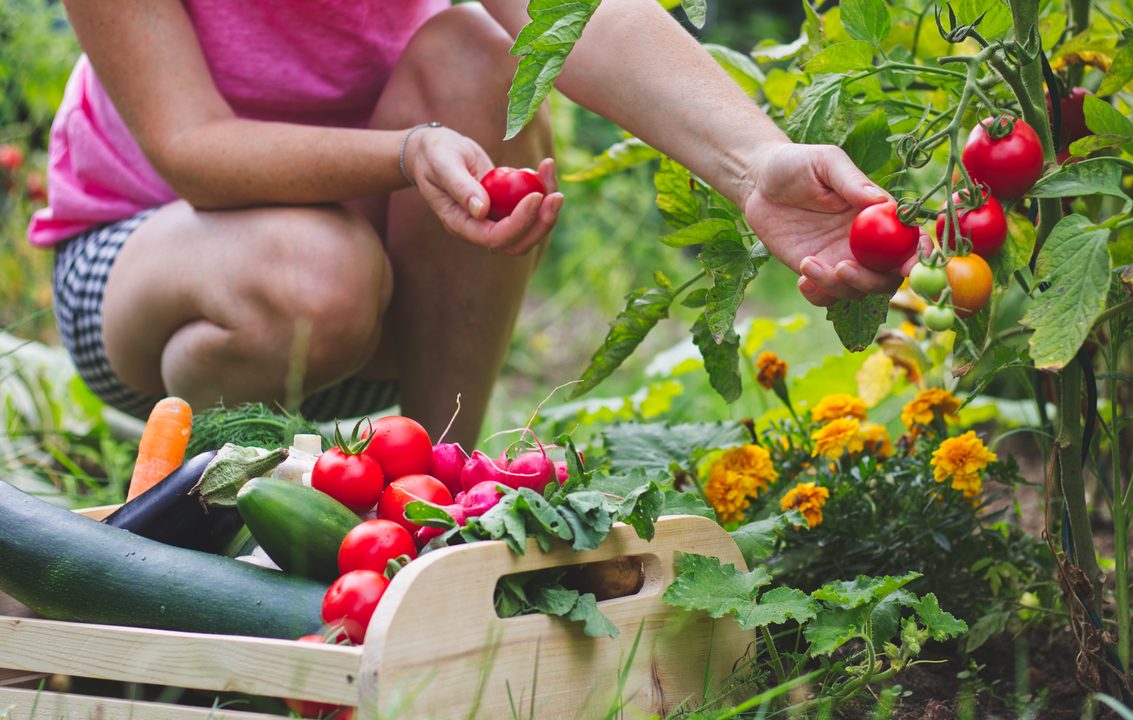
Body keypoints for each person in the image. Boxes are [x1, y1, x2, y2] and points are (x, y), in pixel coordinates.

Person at [34, 0, 918, 447]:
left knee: (481, 51)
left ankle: (432, 483)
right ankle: (209, 501)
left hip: (386, 297)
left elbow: (579, 17)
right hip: (152, 270)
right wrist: (407, 154)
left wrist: (752, 163)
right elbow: (194, 149)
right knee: (311, 277)